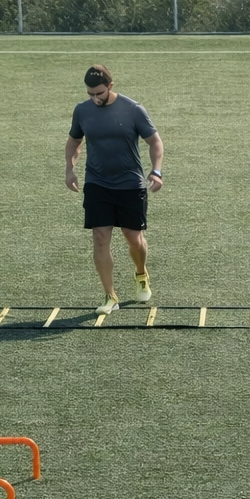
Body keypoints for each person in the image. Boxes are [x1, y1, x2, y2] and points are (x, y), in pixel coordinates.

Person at [65, 64, 164, 313]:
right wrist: (70, 168)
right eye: (90, 94)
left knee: (134, 238)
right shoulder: (82, 111)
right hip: (97, 184)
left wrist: (157, 170)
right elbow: (74, 141)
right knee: (99, 239)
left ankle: (141, 273)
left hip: (130, 184)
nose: (95, 99)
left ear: (110, 86)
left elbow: (155, 141)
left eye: (99, 93)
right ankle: (110, 296)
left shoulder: (133, 110)